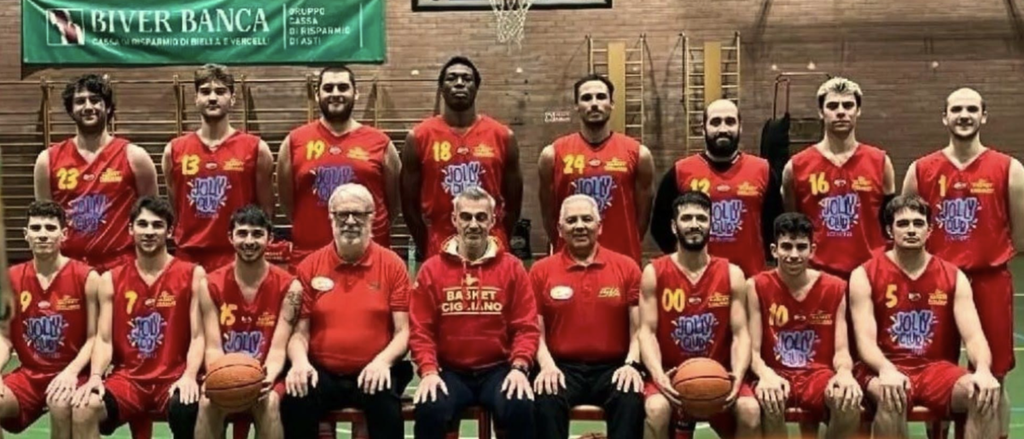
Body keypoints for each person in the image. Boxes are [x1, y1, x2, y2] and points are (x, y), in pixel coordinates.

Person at [902, 87, 1024, 439]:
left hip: (989, 280)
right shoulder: (920, 170)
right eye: (956, 109)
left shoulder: (1009, 169)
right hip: (935, 282)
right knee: (933, 371)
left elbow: (1020, 234)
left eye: (972, 109)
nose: (964, 115)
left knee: (994, 375)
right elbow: (905, 227)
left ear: (984, 116)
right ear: (945, 117)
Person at [849, 195, 1001, 439]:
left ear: (929, 230)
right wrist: (886, 370)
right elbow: (865, 341)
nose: (911, 230)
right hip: (884, 366)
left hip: (936, 369)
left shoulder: (954, 276)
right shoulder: (864, 274)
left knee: (983, 395)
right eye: (903, 224)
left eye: (918, 223)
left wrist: (983, 369)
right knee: (891, 397)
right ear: (889, 230)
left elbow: (974, 337)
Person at [282, 184, 413, 439]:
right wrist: (299, 362)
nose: (350, 221)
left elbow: (403, 332)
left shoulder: (393, 265)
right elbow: (299, 333)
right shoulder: (309, 266)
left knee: (386, 405)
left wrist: (382, 362)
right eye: (342, 214)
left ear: (371, 218)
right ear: (331, 217)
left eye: (358, 214)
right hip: (322, 372)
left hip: (374, 369)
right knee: (296, 399)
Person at [410, 187, 539, 439]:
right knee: (430, 407)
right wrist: (428, 370)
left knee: (520, 404)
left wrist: (519, 367)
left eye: (481, 217)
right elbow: (421, 330)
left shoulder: (513, 268)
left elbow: (526, 327)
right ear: (454, 220)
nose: (473, 224)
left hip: (499, 369)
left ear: (492, 221)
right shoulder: (431, 270)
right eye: (466, 217)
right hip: (449, 371)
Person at [70, 196, 202, 439]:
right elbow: (104, 339)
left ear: (170, 231)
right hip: (129, 380)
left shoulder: (193, 274)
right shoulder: (110, 279)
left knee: (190, 407)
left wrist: (190, 376)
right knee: (83, 408)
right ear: (131, 229)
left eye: (157, 225)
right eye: (142, 224)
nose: (149, 231)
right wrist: (96, 377)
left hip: (173, 377)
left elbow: (198, 336)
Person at [638, 191, 759, 439]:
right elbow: (647, 332)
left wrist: (737, 377)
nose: (694, 224)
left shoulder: (732, 273)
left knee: (750, 410)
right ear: (674, 226)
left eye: (702, 218)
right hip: (670, 374)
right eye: (687, 218)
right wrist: (659, 376)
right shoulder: (654, 272)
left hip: (719, 375)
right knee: (656, 409)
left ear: (711, 224)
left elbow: (741, 334)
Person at [529, 194, 645, 439]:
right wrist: (546, 366)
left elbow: (639, 328)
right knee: (546, 397)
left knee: (630, 397)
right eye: (571, 221)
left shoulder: (627, 267)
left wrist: (631, 365)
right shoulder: (540, 271)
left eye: (586, 219)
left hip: (613, 368)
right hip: (561, 367)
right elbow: (534, 330)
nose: (579, 226)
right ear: (560, 229)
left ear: (599, 226)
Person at [747, 212, 861, 438]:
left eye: (801, 247)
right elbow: (752, 351)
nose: (794, 255)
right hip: (775, 372)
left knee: (848, 401)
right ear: (774, 250)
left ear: (812, 250)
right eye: (786, 247)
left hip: (818, 375)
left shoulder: (835, 287)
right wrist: (765, 375)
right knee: (770, 399)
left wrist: (845, 373)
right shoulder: (755, 286)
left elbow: (841, 351)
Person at [194, 206, 302, 439]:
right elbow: (213, 347)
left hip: (267, 374)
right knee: (206, 402)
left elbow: (278, 349)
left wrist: (264, 380)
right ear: (230, 237)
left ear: (269, 239)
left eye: (257, 234)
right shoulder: (209, 284)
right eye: (242, 233)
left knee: (270, 402)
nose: (249, 241)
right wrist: (220, 377)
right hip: (225, 368)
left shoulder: (290, 287)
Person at [400, 56, 524, 259]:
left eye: (466, 79)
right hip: (439, 243)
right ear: (441, 88)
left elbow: (514, 204)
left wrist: (499, 235)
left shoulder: (502, 136)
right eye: (452, 78)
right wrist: (427, 244)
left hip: (491, 241)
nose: (459, 83)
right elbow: (409, 206)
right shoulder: (419, 137)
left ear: (476, 87)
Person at [34, 74, 159, 272]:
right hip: (69, 268)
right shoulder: (47, 160)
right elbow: (44, 223)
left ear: (107, 107)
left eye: (95, 100)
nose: (88, 107)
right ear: (71, 110)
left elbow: (153, 220)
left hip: (121, 268)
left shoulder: (135, 157)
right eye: (80, 101)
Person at [277, 66, 401, 263]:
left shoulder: (381, 143)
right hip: (310, 256)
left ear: (356, 93)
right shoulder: (294, 142)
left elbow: (394, 203)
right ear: (317, 94)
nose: (335, 94)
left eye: (343, 87)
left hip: (368, 258)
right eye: (328, 88)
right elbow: (287, 202)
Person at [0, 202, 99, 439]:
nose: (43, 234)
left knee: (61, 402)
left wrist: (71, 372)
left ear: (63, 234)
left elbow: (95, 337)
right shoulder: (11, 278)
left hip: (74, 373)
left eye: (50, 228)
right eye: (36, 228)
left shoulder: (87, 277)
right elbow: (4, 338)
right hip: (29, 375)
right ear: (26, 235)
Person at [163, 64, 275, 272]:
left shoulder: (256, 148)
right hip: (189, 257)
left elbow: (266, 211)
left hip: (237, 256)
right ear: (196, 98)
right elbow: (176, 208)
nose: (213, 98)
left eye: (221, 91)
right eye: (205, 92)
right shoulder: (174, 150)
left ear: (232, 98)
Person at [651, 99, 781, 277]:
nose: (723, 129)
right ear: (703, 129)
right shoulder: (681, 171)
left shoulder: (762, 170)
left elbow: (775, 226)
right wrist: (685, 259)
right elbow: (660, 227)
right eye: (715, 122)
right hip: (698, 280)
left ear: (740, 127)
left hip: (749, 279)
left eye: (730, 122)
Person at [781, 77, 895, 278]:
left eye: (848, 105)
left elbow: (890, 226)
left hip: (870, 273)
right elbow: (793, 226)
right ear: (821, 112)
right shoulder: (796, 167)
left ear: (858, 111)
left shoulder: (880, 162)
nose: (841, 111)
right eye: (832, 106)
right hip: (817, 275)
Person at [538, 74, 655, 264]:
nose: (594, 104)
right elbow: (549, 217)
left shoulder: (638, 154)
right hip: (571, 261)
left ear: (612, 104)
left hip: (622, 260)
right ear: (576, 106)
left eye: (601, 97)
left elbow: (641, 220)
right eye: (586, 98)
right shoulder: (552, 155)